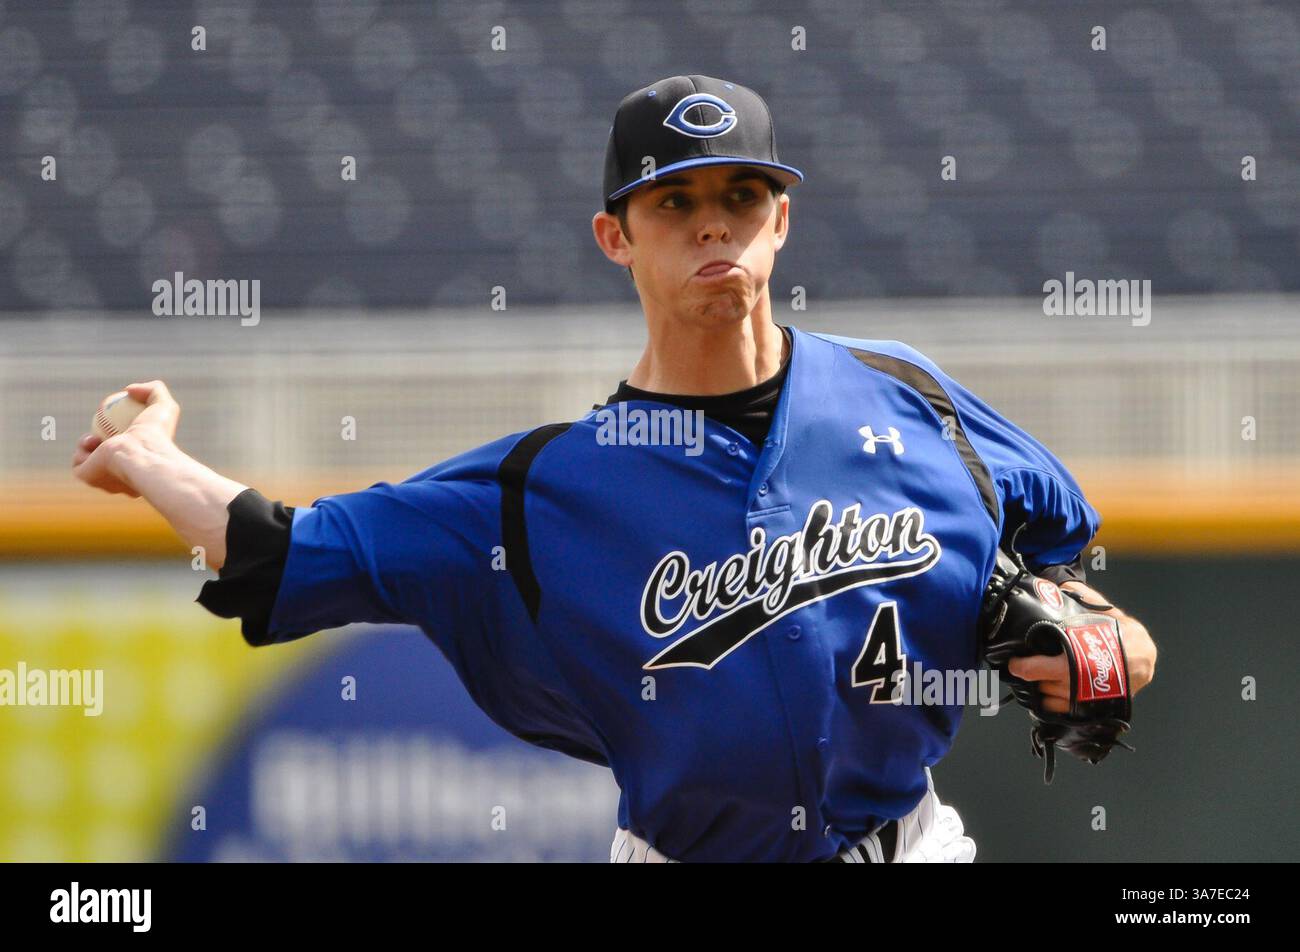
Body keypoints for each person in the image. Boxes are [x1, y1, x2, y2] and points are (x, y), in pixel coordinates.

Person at [72, 75, 1156, 863]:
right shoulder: (542, 491)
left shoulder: (908, 394)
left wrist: (1101, 654)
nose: (713, 225)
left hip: (909, 844)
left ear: (781, 220)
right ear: (614, 236)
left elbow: (1090, 601)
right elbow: (279, 550)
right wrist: (150, 459)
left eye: (741, 196)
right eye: (674, 202)